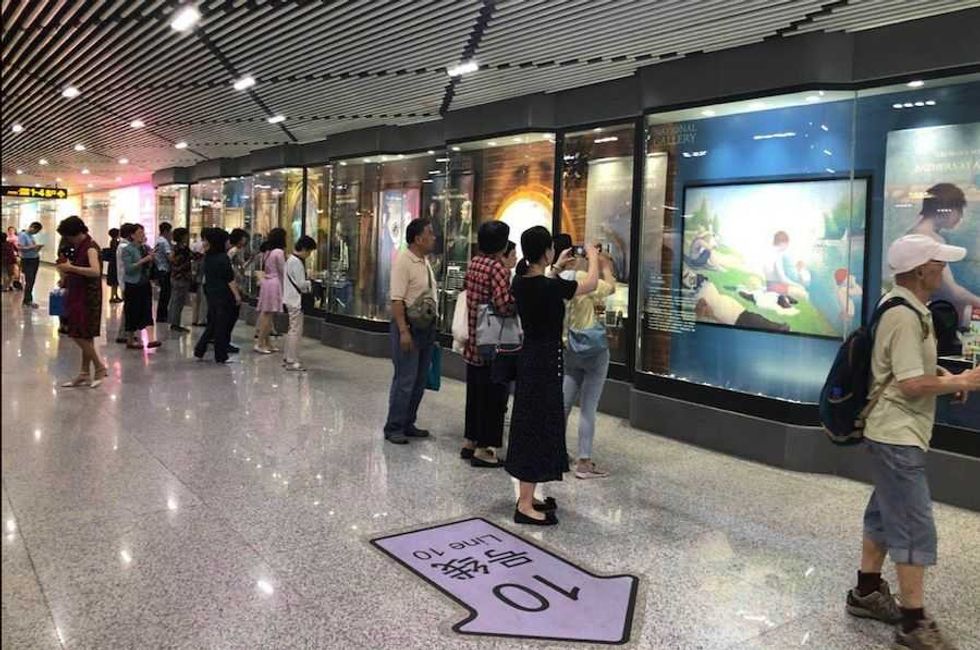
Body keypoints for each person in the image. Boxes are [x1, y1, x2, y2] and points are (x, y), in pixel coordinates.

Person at [845, 234, 980, 650]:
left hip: (893, 433)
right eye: (938, 263)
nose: (942, 269)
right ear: (922, 270)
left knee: (886, 515)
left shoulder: (900, 304)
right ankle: (913, 624)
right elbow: (906, 383)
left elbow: (901, 365)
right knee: (914, 526)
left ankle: (867, 591)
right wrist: (959, 380)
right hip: (896, 435)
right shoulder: (904, 315)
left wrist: (938, 372)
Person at [506, 226, 598, 525]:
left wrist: (556, 266)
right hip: (545, 362)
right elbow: (592, 284)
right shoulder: (547, 288)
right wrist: (594, 257)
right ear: (545, 252)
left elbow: (543, 282)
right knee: (537, 426)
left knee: (530, 422)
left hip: (530, 357)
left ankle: (528, 496)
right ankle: (524, 505)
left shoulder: (521, 282)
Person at [461, 221, 514, 467]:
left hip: (474, 341)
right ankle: (485, 449)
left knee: (475, 395)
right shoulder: (497, 269)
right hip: (493, 345)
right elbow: (504, 305)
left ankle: (470, 441)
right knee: (493, 398)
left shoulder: (473, 263)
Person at [562, 247, 616, 479]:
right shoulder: (587, 281)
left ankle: (557, 452)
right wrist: (603, 263)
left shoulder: (560, 279)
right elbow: (611, 286)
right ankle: (584, 462)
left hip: (569, 349)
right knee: (588, 408)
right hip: (594, 353)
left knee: (563, 404)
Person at [382, 218, 438, 444]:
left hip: (426, 328)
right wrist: (404, 331)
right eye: (430, 233)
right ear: (418, 238)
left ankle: (408, 422)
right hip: (408, 327)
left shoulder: (424, 261)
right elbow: (397, 300)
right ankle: (393, 426)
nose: (434, 237)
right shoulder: (404, 261)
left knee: (419, 379)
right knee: (405, 379)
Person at [907, 182, 979, 327]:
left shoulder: (913, 233)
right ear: (948, 210)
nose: (960, 217)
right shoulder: (931, 239)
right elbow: (953, 292)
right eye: (959, 211)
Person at [55, 216, 107, 388]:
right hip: (80, 293)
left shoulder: (91, 248)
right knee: (86, 334)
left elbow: (95, 271)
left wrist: (71, 268)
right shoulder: (80, 246)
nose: (68, 240)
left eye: (69, 236)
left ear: (76, 233)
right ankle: (84, 373)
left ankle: (99, 367)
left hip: (87, 297)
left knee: (77, 332)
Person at [194, 228, 242, 364]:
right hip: (224, 294)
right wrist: (237, 295)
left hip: (211, 291)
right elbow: (229, 279)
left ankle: (200, 348)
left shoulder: (208, 256)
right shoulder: (223, 258)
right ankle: (220, 355)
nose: (229, 243)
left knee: (214, 323)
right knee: (222, 324)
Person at [120, 224, 161, 349]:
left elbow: (152, 264)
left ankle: (151, 339)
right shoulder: (127, 249)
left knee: (147, 309)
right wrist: (144, 260)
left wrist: (152, 258)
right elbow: (129, 268)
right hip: (133, 284)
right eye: (139, 233)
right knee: (132, 310)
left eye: (143, 233)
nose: (142, 235)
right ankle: (130, 339)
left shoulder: (146, 248)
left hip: (144, 283)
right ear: (132, 235)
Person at [283, 235, 316, 371]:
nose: (309, 255)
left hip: (290, 298)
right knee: (296, 330)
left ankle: (288, 357)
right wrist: (311, 281)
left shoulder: (290, 259)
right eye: (309, 251)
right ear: (303, 249)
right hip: (296, 300)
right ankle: (292, 360)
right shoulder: (297, 262)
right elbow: (302, 285)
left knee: (292, 329)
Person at [255, 227, 287, 354]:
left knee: (267, 313)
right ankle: (260, 343)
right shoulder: (279, 252)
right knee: (268, 315)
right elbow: (283, 270)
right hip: (274, 283)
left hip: (266, 283)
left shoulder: (268, 252)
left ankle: (267, 343)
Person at [168, 227, 193, 332]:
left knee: (175, 300)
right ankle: (175, 324)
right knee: (178, 301)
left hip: (176, 277)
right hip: (181, 278)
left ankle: (174, 322)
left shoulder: (176, 248)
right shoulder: (181, 249)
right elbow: (176, 260)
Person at [114, 224, 135, 343]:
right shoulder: (125, 246)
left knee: (129, 309)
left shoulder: (123, 245)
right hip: (127, 282)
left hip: (126, 281)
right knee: (128, 309)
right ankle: (123, 333)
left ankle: (127, 332)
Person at [17, 221, 44, 308]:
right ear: (32, 227)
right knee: (29, 280)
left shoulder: (31, 236)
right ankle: (27, 300)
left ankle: (28, 300)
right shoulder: (23, 235)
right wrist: (32, 247)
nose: (35, 233)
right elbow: (20, 247)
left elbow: (33, 249)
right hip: (27, 260)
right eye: (35, 231)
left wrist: (38, 248)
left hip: (34, 259)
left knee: (32, 281)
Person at [154, 222, 173, 323]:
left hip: (159, 269)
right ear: (166, 231)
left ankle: (161, 315)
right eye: (170, 231)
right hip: (164, 270)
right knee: (165, 294)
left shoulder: (157, 240)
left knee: (163, 294)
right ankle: (162, 316)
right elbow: (170, 257)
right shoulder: (165, 242)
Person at [105, 228, 122, 303]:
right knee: (114, 282)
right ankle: (112, 296)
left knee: (115, 282)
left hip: (113, 264)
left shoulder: (113, 242)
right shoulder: (115, 242)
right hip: (114, 264)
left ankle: (115, 295)